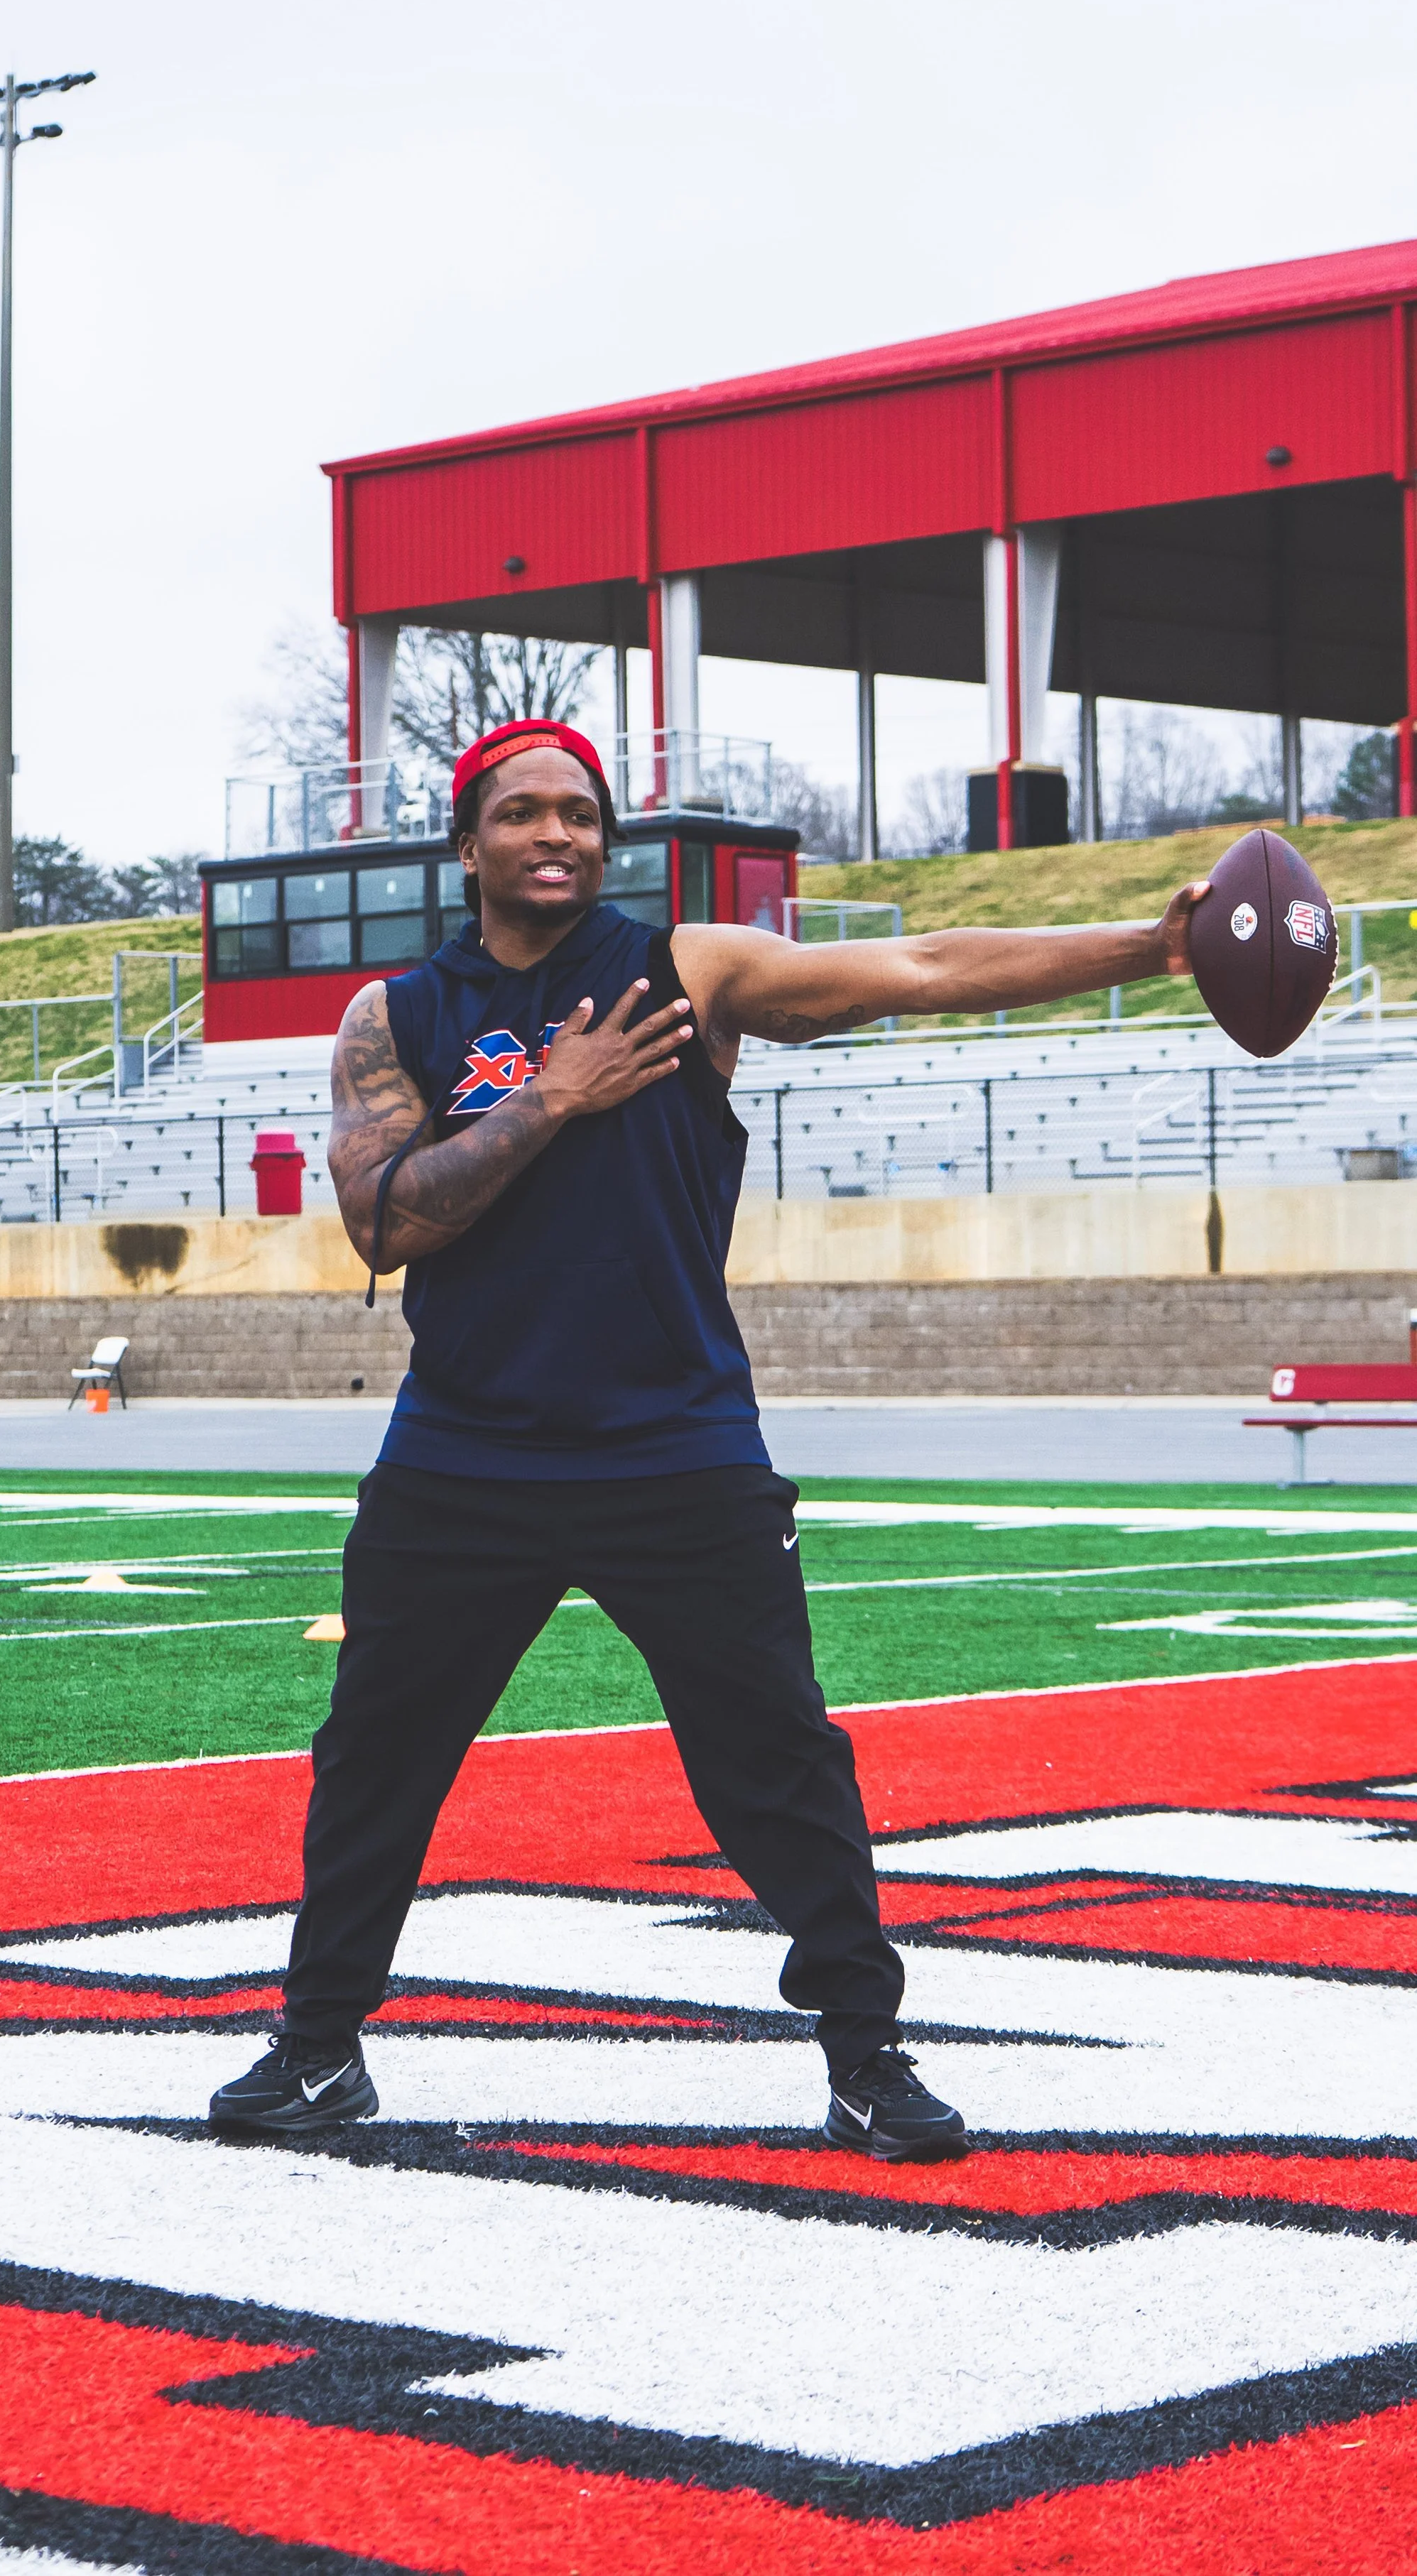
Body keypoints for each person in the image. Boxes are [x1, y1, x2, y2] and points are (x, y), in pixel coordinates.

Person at [210, 719, 1207, 2161]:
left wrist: (1142, 949)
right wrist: (552, 1097)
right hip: (460, 1455)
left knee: (776, 1760)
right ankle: (316, 2053)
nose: (554, 834)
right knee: (374, 1757)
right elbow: (381, 1222)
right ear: (467, 842)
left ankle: (864, 2054)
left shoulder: (686, 973)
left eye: (578, 814)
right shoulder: (393, 1017)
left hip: (673, 1445)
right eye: (521, 814)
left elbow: (919, 967)